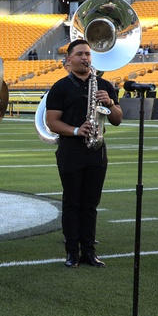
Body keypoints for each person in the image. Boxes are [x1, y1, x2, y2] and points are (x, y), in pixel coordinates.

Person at [44, 40, 122, 268]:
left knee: (90, 203)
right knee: (72, 202)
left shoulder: (104, 84)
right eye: (79, 54)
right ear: (69, 60)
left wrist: (109, 102)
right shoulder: (60, 87)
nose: (85, 58)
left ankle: (88, 250)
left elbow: (117, 119)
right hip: (71, 149)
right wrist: (76, 130)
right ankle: (72, 252)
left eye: (87, 54)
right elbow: (52, 122)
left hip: (97, 149)